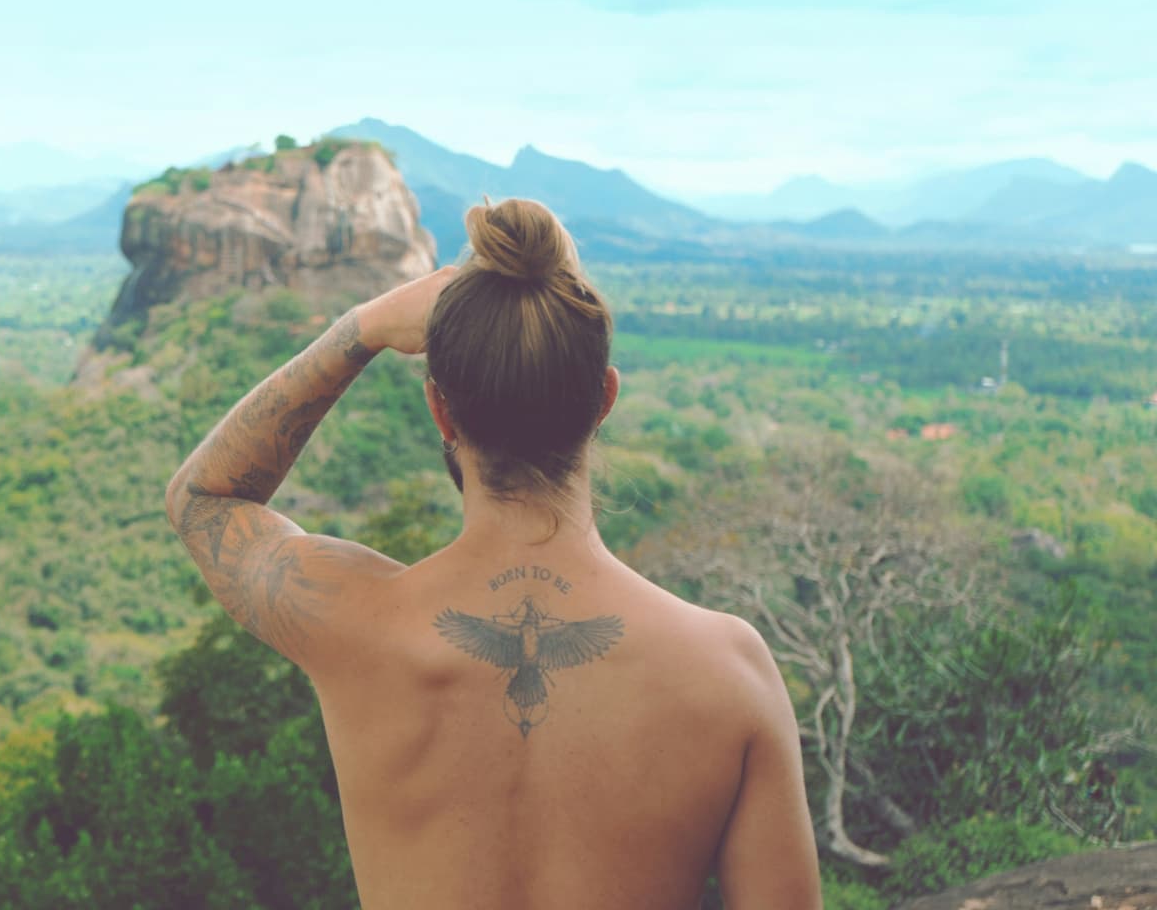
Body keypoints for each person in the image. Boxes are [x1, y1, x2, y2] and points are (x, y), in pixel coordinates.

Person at [165, 197, 823, 910]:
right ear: (603, 399)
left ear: (440, 410)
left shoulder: (358, 624)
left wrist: (358, 330)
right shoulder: (729, 672)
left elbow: (205, 500)